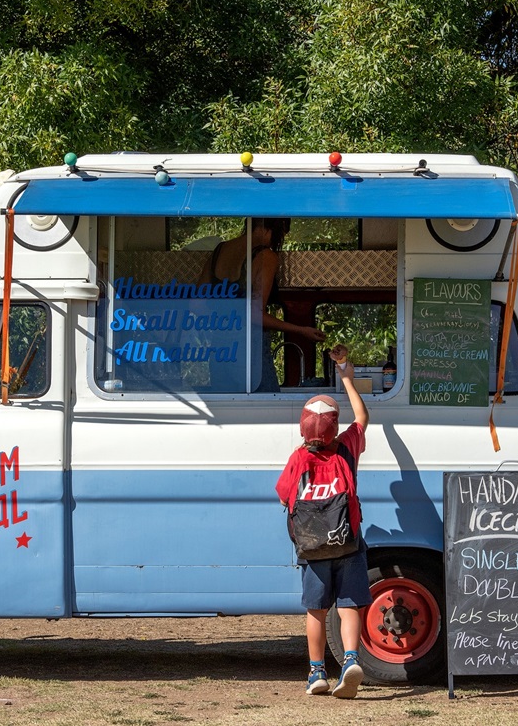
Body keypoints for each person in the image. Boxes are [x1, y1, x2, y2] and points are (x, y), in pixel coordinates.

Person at [275, 344, 370, 698]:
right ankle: (349, 660)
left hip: (312, 547)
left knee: (316, 611)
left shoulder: (298, 458)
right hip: (348, 540)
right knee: (348, 607)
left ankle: (317, 673)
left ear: (303, 427)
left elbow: (285, 495)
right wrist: (346, 374)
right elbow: (362, 417)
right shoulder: (346, 448)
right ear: (335, 427)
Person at [201, 218, 325, 390]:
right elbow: (255, 314)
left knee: (228, 409)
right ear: (278, 226)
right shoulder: (265, 256)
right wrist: (301, 330)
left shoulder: (219, 251)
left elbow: (197, 306)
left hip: (219, 350)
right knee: (267, 406)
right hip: (249, 350)